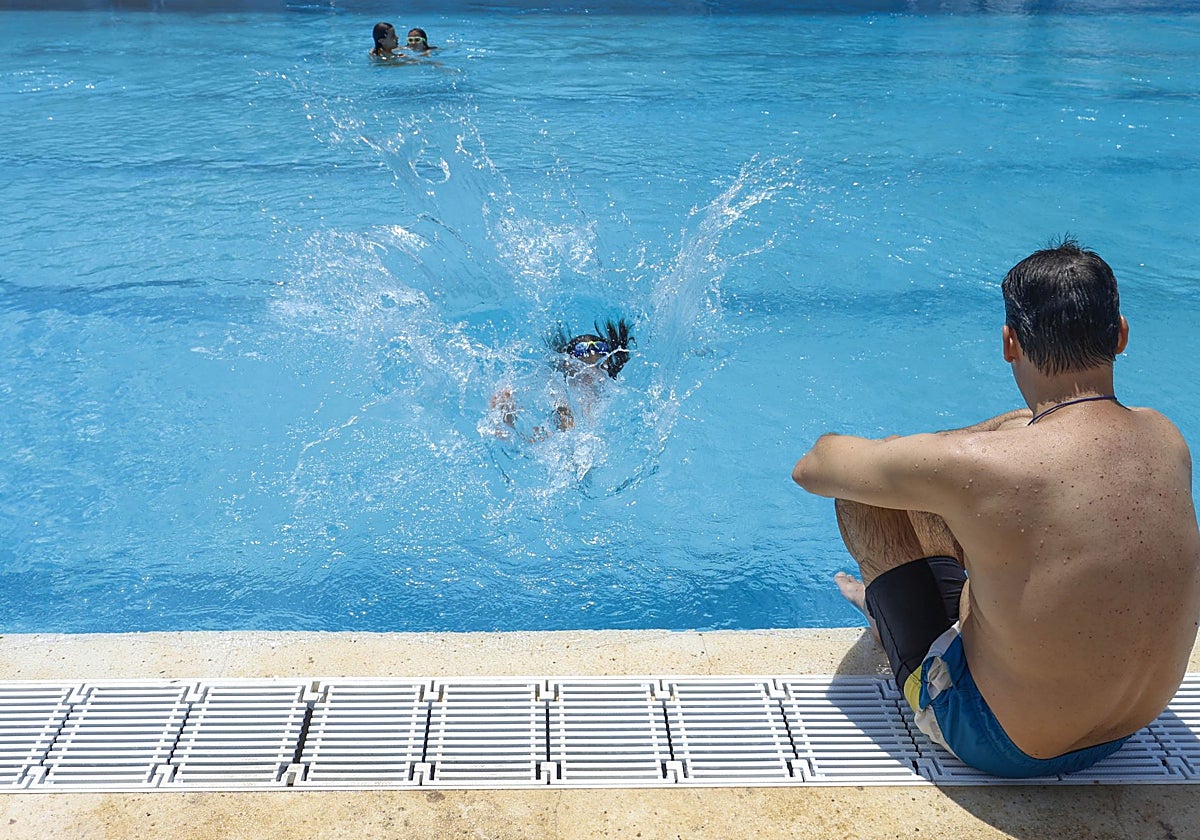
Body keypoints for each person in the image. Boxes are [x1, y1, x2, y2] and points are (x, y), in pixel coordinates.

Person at [791, 238, 1200, 778]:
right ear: (1121, 334)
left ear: (1010, 343)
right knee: (967, 480)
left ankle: (888, 616)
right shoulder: (1166, 437)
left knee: (867, 494)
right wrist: (961, 452)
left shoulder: (989, 470)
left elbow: (814, 467)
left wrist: (910, 453)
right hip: (1130, 726)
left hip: (1003, 742)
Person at [490, 318, 633, 440]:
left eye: (595, 367)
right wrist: (507, 415)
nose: (590, 375)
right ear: (567, 367)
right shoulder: (556, 394)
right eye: (584, 368)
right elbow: (536, 438)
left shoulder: (613, 391)